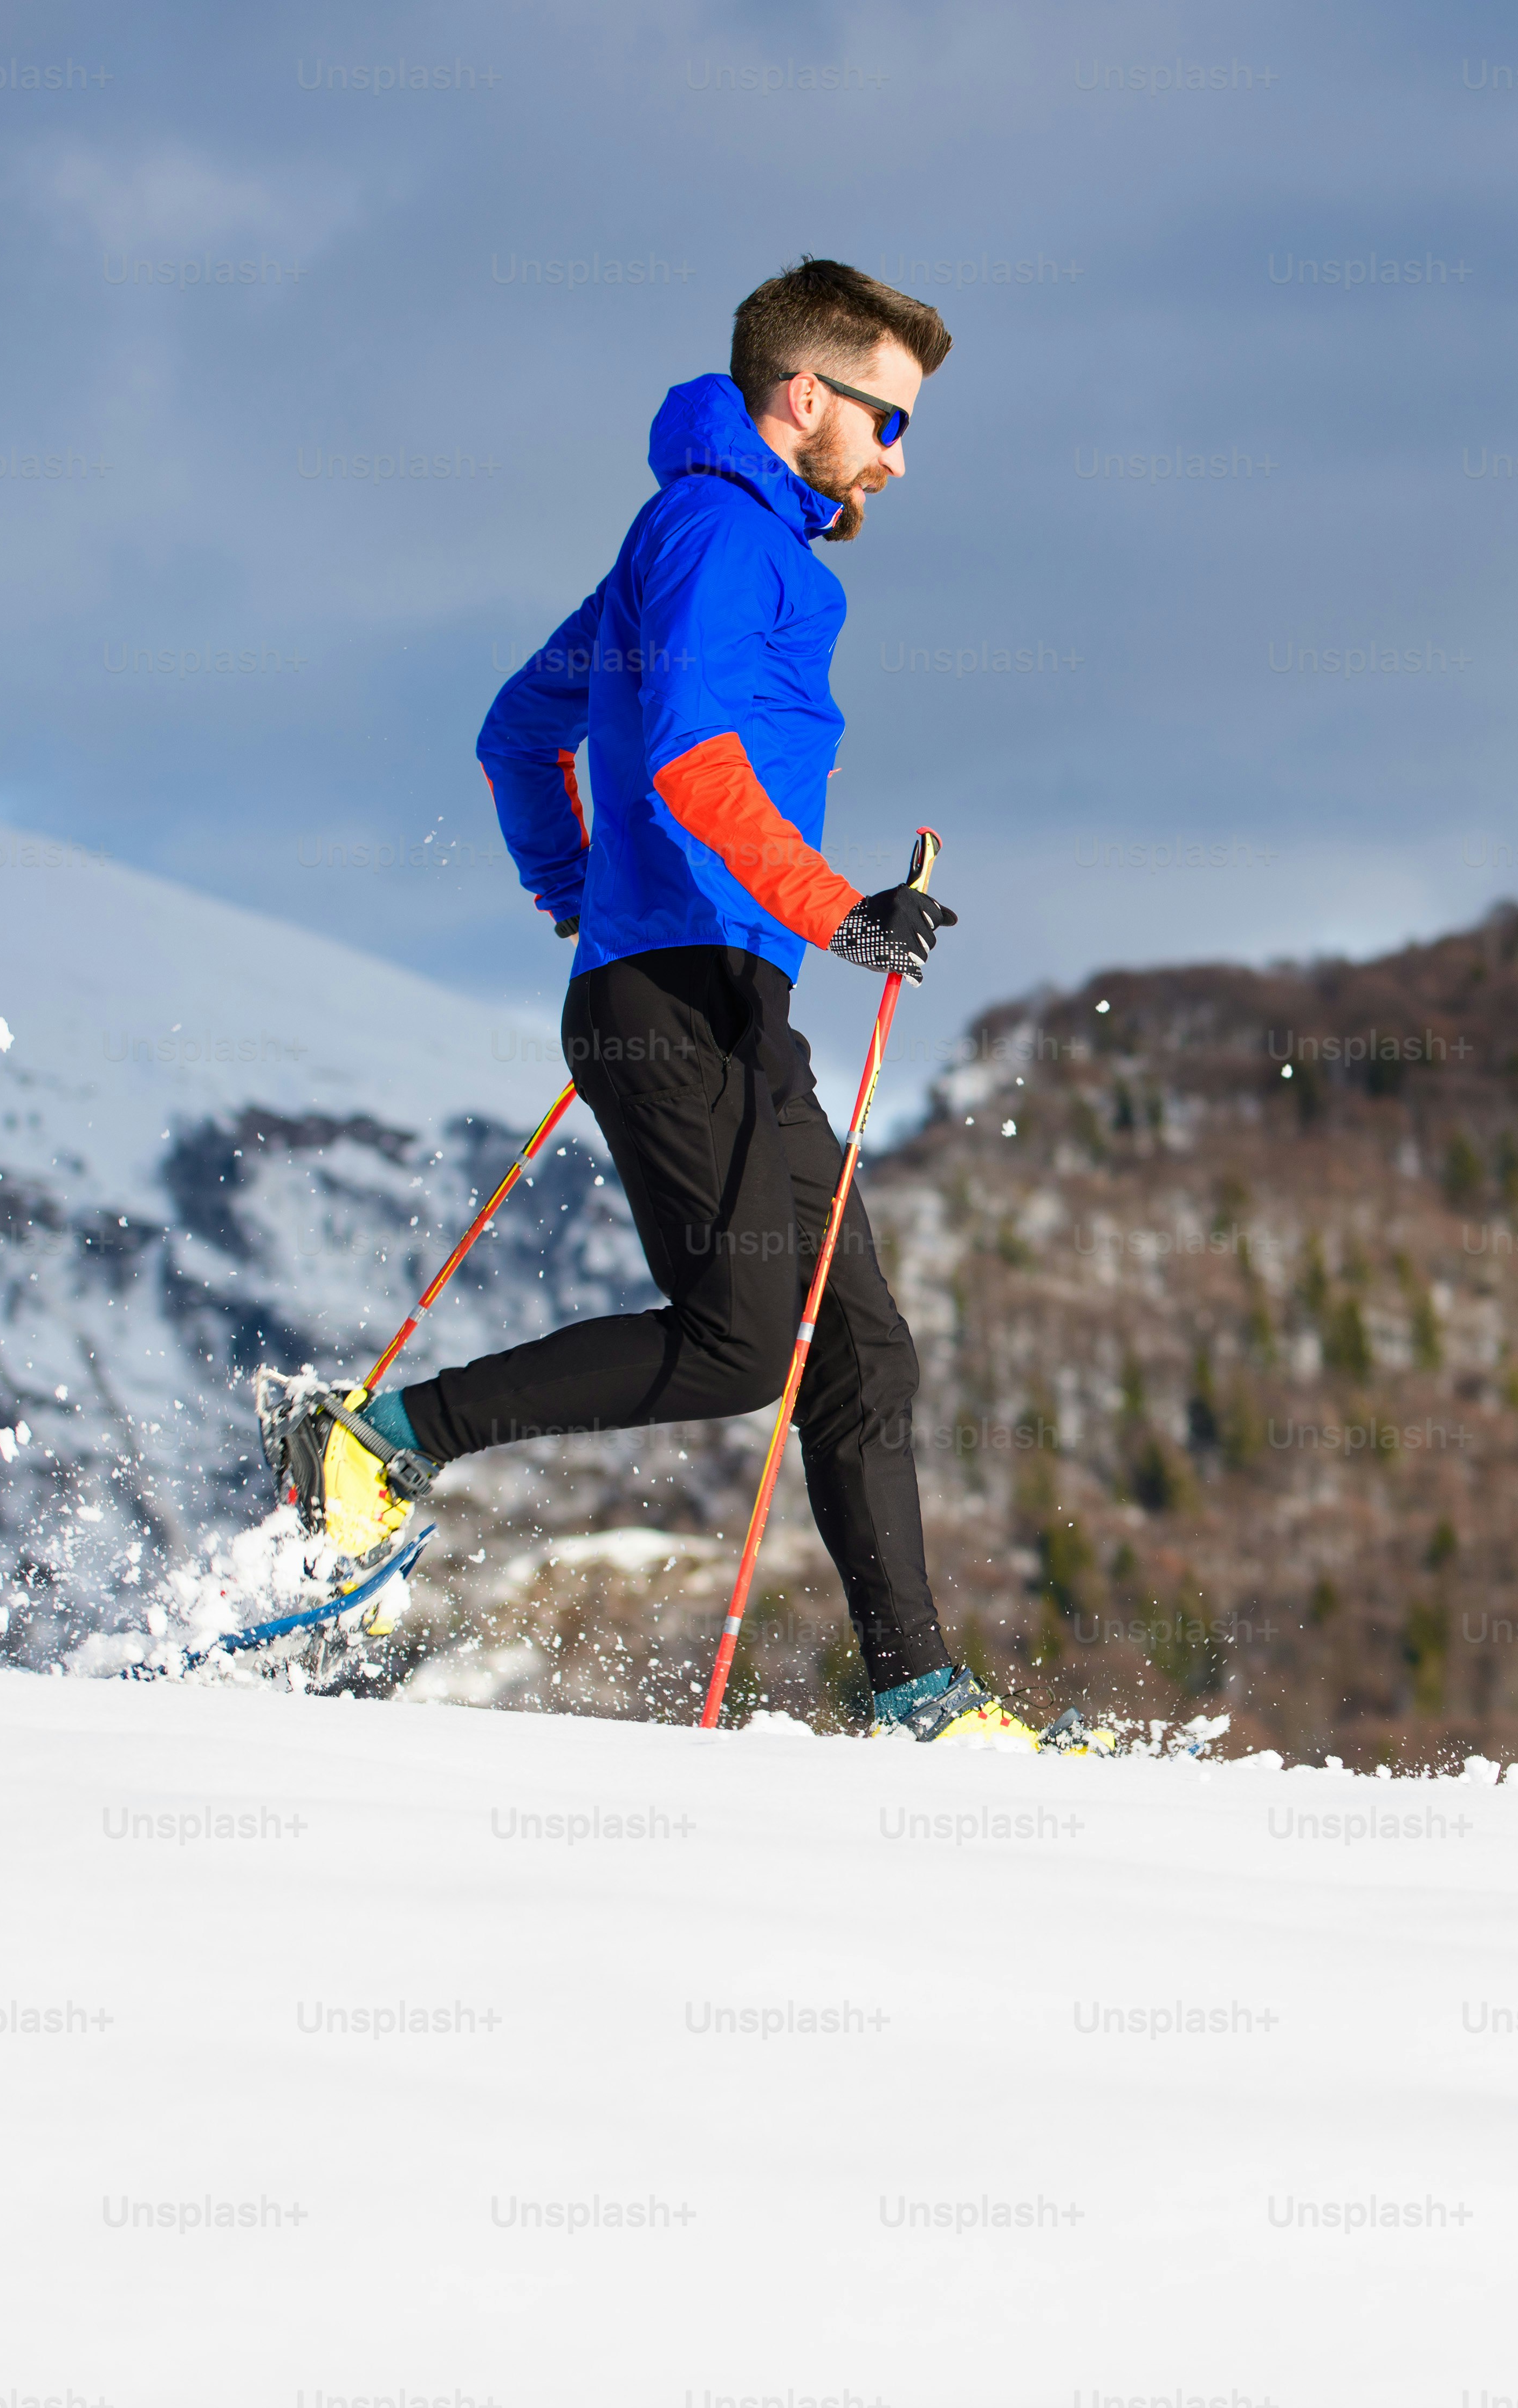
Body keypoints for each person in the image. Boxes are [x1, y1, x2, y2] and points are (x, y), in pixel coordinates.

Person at [259, 258, 1030, 1745]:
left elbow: (518, 729)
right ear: (802, 395)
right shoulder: (717, 533)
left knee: (860, 1349)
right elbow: (684, 753)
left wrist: (577, 891)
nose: (899, 453)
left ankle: (923, 1698)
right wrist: (835, 912)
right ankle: (385, 1442)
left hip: (720, 996)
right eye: (886, 415)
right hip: (676, 1003)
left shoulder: (706, 540)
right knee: (745, 1342)